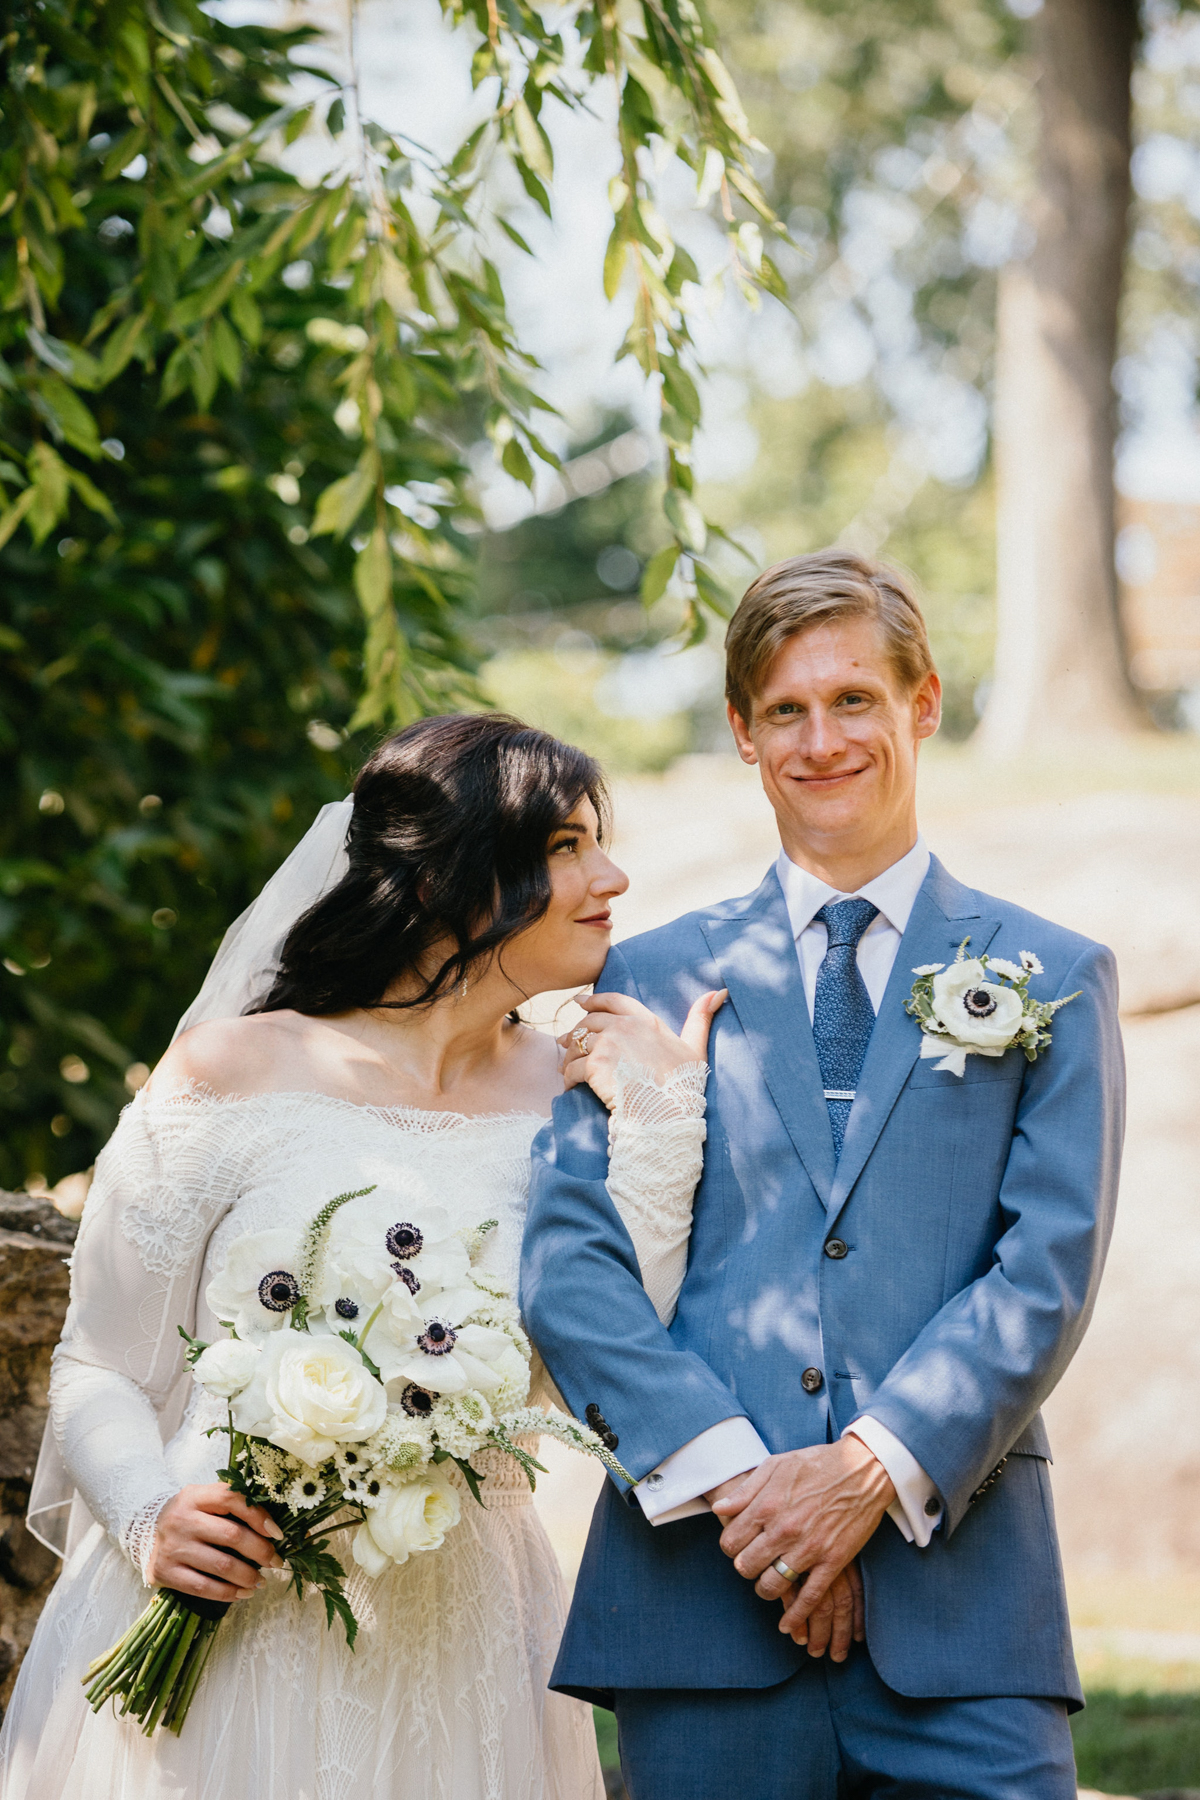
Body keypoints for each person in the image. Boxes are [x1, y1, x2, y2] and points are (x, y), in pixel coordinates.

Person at [0, 713, 725, 1800]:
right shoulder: (231, 1071)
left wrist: (662, 1123)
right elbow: (98, 1363)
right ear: (446, 880)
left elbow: (593, 1372)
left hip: (465, 1641)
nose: (611, 876)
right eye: (565, 847)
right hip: (228, 1624)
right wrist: (152, 1516)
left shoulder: (576, 1101)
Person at [521, 550, 1125, 1800]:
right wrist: (760, 1496)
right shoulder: (645, 977)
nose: (822, 738)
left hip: (967, 1618)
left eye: (855, 698)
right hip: (700, 1611)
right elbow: (570, 1271)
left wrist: (865, 1474)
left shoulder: (1053, 975)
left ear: (925, 703)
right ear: (742, 733)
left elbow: (1046, 1273)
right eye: (786, 710)